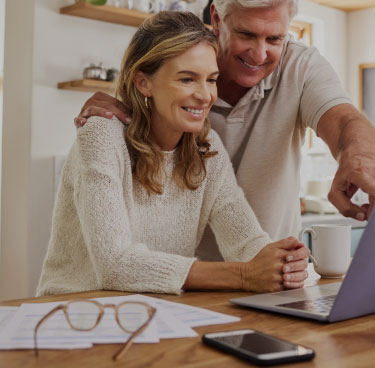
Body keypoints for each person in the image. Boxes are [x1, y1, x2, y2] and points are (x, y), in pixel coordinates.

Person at [74, 0, 375, 262]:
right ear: (217, 18)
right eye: (246, 34)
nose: (259, 54)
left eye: (274, 38)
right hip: (172, 279)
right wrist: (114, 114)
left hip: (259, 272)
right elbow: (117, 259)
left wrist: (358, 157)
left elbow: (345, 120)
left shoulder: (301, 67)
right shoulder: (172, 72)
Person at [37, 11, 309, 297]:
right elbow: (115, 264)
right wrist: (244, 274)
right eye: (187, 79)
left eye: (211, 79)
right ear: (143, 82)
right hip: (73, 315)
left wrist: (282, 262)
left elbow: (246, 243)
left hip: (155, 314)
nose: (205, 96)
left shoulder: (207, 147)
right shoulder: (102, 136)